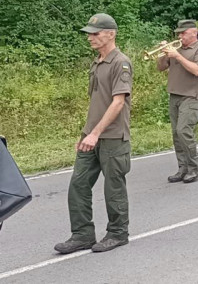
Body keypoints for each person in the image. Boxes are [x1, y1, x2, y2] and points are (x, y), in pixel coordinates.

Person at [55, 14, 132, 255]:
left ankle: (118, 233)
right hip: (92, 135)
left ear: (111, 33)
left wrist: (96, 133)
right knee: (78, 184)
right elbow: (96, 102)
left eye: (95, 33)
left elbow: (118, 102)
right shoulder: (97, 61)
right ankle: (82, 234)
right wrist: (86, 132)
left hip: (112, 137)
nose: (90, 37)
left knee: (113, 187)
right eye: (89, 33)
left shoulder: (121, 62)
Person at [157, 20, 198, 183]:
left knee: (183, 131)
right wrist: (163, 53)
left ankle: (195, 166)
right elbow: (160, 68)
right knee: (176, 134)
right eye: (178, 33)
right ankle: (183, 167)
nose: (179, 36)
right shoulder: (176, 48)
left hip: (191, 95)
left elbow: (197, 70)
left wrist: (177, 56)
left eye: (183, 33)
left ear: (193, 33)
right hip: (175, 94)